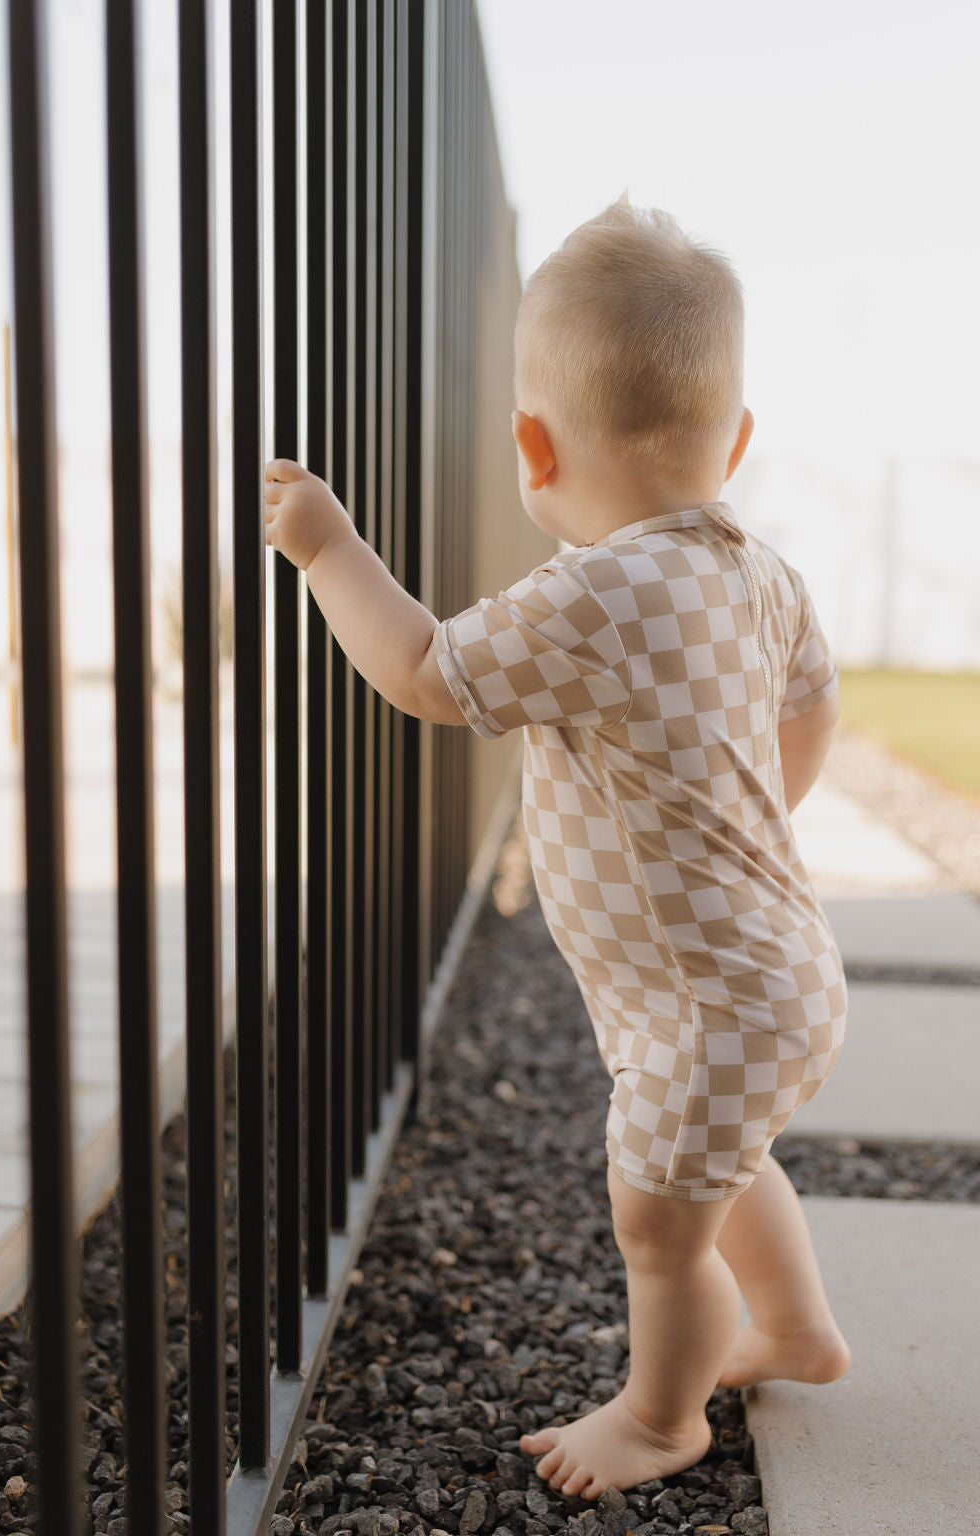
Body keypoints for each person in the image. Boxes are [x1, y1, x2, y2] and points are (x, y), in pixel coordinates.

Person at [264, 199, 850, 1502]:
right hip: (771, 975)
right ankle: (798, 1331)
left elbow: (422, 669)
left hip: (707, 1007)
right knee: (723, 1161)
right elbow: (809, 711)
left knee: (655, 1220)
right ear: (734, 440)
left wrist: (329, 550)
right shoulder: (762, 576)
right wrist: (747, 828)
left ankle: (658, 1418)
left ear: (532, 445)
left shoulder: (593, 591)